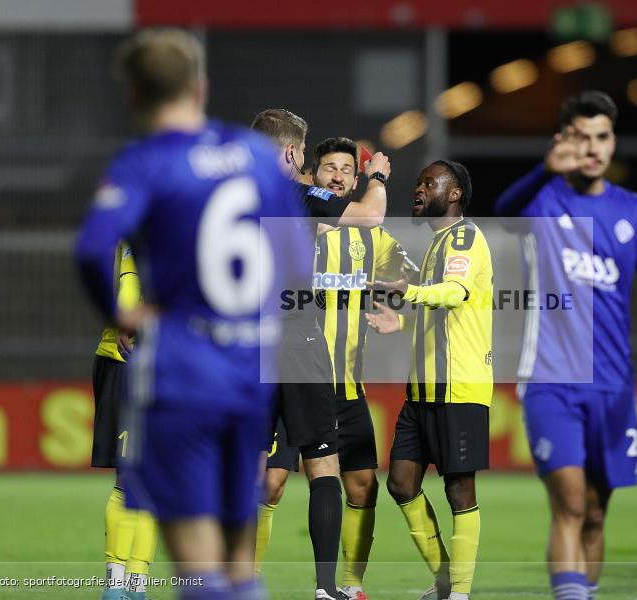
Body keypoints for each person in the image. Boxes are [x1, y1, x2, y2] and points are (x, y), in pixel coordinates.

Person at [75, 29, 311, 600]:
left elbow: (90, 247)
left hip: (183, 370)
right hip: (248, 371)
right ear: (200, 87)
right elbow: (298, 264)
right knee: (238, 551)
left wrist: (122, 313)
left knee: (193, 561)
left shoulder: (147, 161)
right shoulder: (256, 156)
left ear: (133, 96)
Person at [494, 91, 637, 600]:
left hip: (611, 384)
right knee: (569, 503)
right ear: (564, 140)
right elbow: (503, 211)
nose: (593, 147)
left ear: (612, 142)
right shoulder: (543, 199)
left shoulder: (634, 210)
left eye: (601, 136)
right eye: (581, 136)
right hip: (550, 380)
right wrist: (543, 170)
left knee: (596, 510)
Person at [249, 110, 391, 600]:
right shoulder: (297, 193)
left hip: (245, 342)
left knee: (254, 471)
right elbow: (371, 216)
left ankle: (226, 583)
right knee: (322, 463)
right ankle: (328, 589)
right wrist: (374, 177)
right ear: (292, 153)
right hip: (296, 336)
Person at [366, 160, 492, 600]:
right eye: (418, 182)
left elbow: (454, 295)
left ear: (454, 193)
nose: (418, 189)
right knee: (401, 482)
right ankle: (445, 580)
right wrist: (400, 324)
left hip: (459, 386)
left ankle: (457, 593)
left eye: (428, 183)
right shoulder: (438, 243)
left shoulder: (463, 237)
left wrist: (409, 293)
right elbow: (443, 310)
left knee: (460, 489)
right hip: (423, 390)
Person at [92, 241, 158, 600]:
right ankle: (116, 585)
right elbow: (127, 278)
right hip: (126, 359)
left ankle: (136, 584)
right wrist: (127, 321)